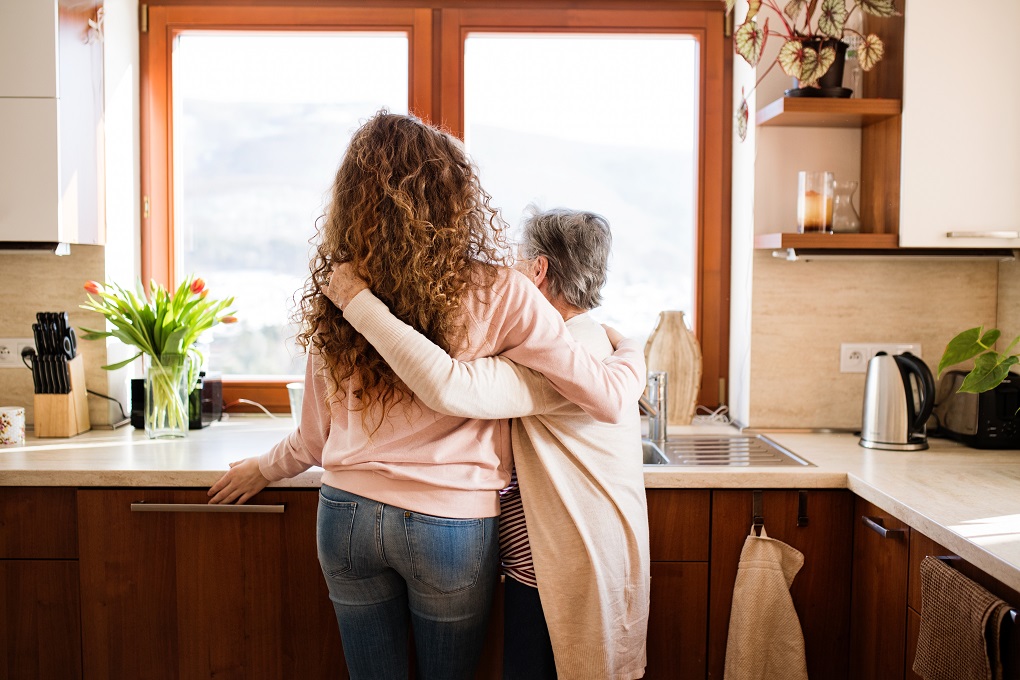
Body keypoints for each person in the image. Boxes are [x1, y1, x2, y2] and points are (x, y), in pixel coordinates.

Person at [207, 111, 647, 680]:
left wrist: (265, 468)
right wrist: (631, 348)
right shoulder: (502, 291)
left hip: (346, 515)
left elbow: (315, 438)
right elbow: (600, 394)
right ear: (455, 197)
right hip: (450, 524)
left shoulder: (342, 289)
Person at [326, 207, 651, 680]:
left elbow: (447, 384)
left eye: (517, 260)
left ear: (538, 270)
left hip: (554, 579)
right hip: (574, 567)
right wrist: (635, 350)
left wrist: (357, 301)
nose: (508, 272)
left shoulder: (553, 366)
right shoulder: (598, 344)